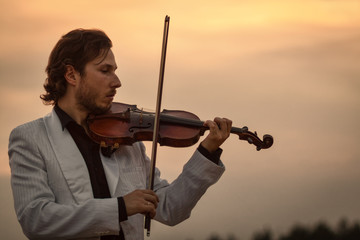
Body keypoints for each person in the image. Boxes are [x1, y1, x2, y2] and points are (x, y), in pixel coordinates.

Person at [8, 29, 232, 240]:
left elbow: (170, 208)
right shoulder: (30, 138)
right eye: (105, 71)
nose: (117, 82)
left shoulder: (127, 139)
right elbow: (35, 219)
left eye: (115, 71)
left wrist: (207, 151)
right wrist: (121, 207)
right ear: (71, 75)